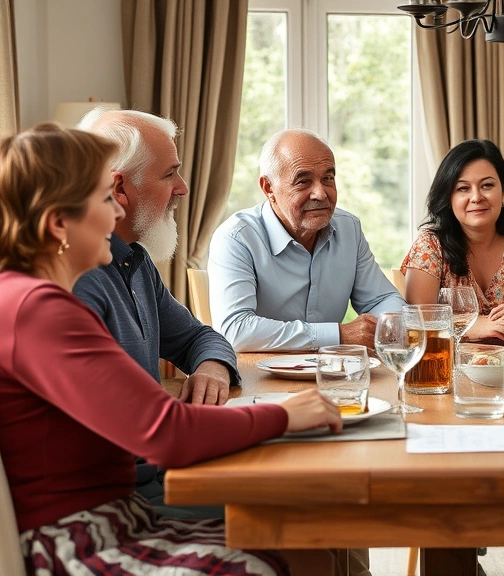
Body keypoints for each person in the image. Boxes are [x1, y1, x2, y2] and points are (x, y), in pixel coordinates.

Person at [0, 124, 343, 574]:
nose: (114, 214)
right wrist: (287, 414)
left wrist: (216, 370)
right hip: (78, 537)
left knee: (305, 544)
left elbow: (192, 352)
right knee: (293, 540)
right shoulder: (38, 309)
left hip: (112, 514)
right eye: (105, 199)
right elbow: (167, 434)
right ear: (59, 223)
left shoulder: (35, 297)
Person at [74, 109, 237, 405]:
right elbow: (112, 415)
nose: (183, 188)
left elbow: (197, 338)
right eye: (169, 174)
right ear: (118, 187)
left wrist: (213, 368)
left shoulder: (135, 261)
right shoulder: (78, 280)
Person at [209, 128, 404, 351]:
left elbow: (382, 300)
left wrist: (386, 326)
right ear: (268, 187)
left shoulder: (349, 228)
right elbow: (236, 330)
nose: (321, 194)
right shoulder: (236, 238)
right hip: (260, 377)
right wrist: (339, 334)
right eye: (303, 181)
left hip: (333, 374)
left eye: (328, 178)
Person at [402, 139, 504, 341]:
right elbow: (417, 318)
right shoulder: (430, 245)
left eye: (487, 185)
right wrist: (472, 327)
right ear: (449, 198)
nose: (476, 197)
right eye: (463, 188)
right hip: (450, 367)